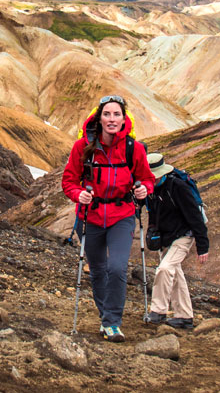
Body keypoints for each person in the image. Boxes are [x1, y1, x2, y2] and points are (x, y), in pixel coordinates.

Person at [62, 95, 154, 342]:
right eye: (107, 114)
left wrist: (145, 189)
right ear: (99, 118)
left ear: (124, 120)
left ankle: (113, 322)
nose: (112, 119)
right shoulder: (82, 147)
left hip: (121, 215)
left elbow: (147, 178)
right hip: (89, 217)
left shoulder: (134, 148)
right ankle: (107, 319)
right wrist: (78, 194)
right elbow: (69, 181)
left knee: (117, 267)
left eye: (117, 115)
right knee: (99, 270)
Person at [143, 153, 209, 329]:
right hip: (167, 238)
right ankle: (184, 317)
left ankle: (158, 311)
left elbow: (195, 217)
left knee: (164, 269)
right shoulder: (150, 189)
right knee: (176, 275)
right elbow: (152, 213)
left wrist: (203, 246)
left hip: (184, 235)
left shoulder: (178, 187)